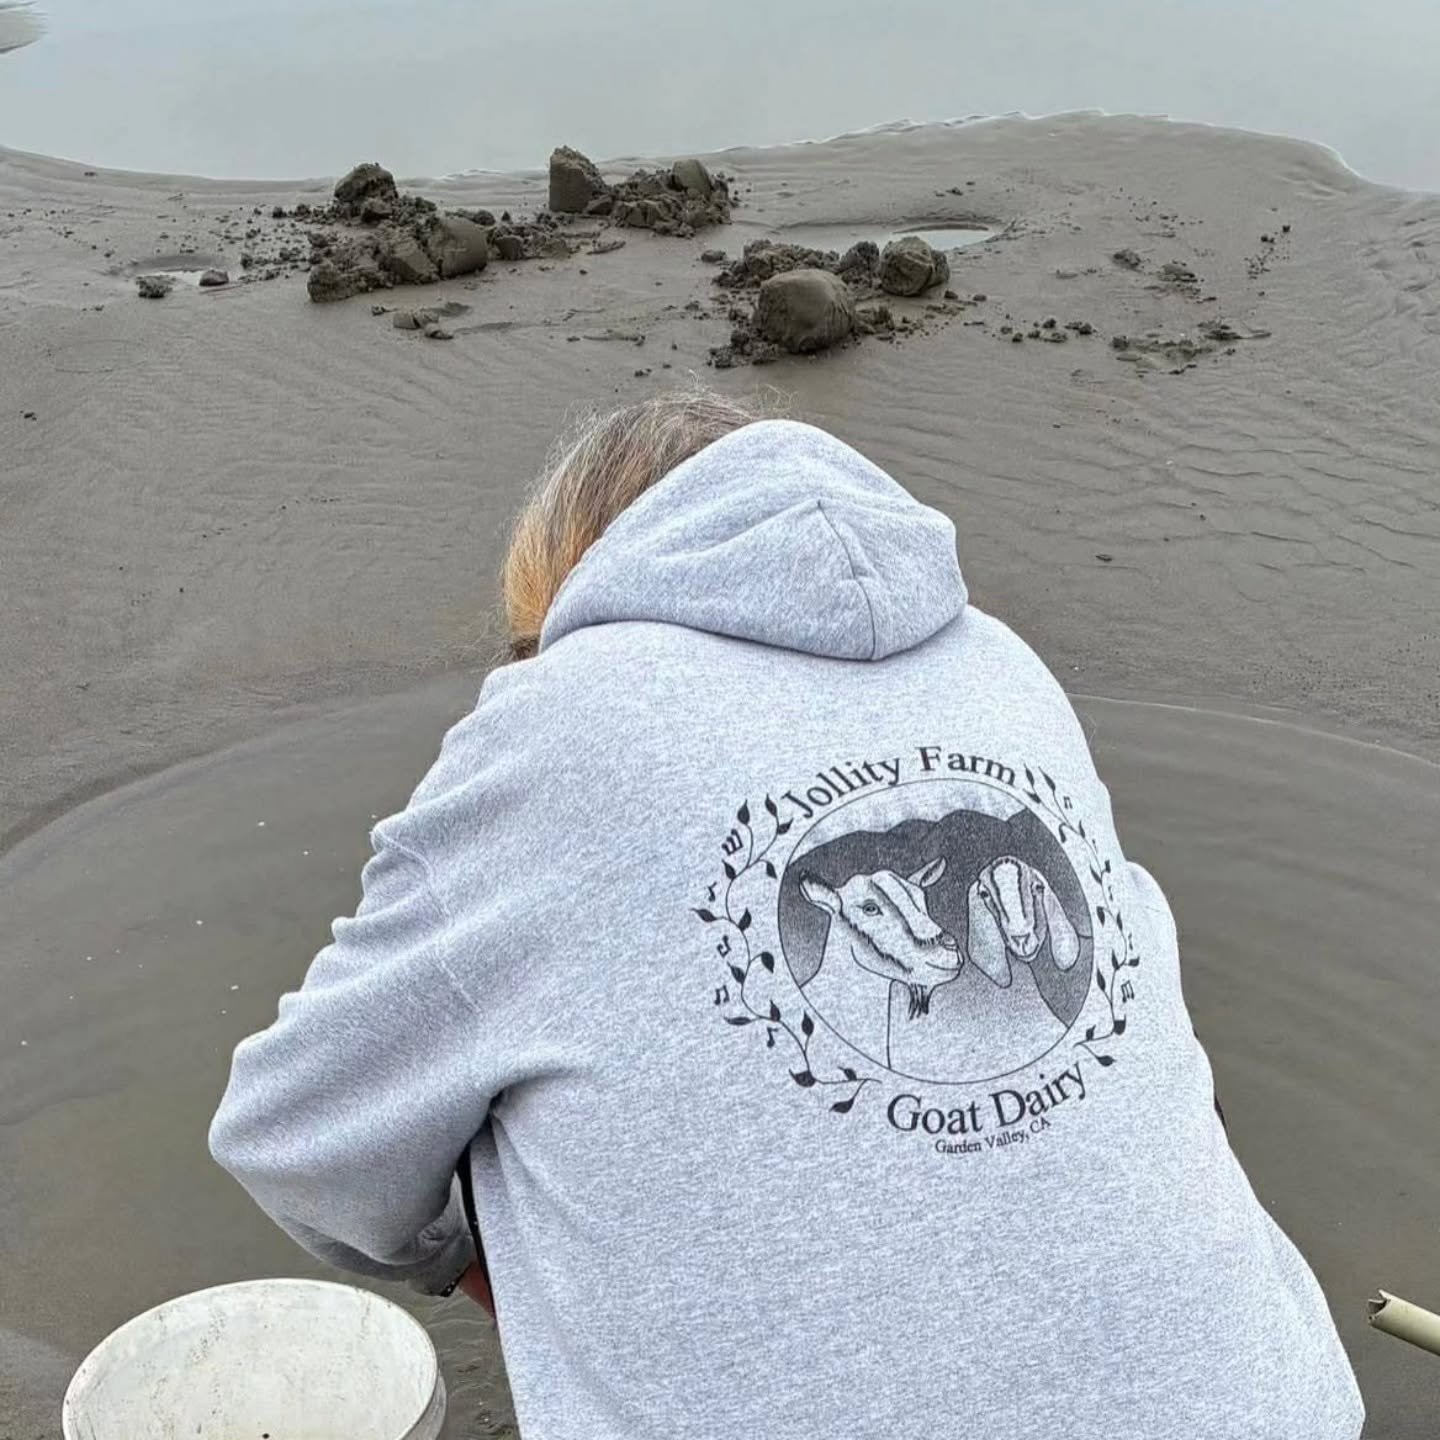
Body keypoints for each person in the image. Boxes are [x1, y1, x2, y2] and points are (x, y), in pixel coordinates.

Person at [210, 388, 1365, 1440]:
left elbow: (297, 1140)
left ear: (573, 577)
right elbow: (1137, 979)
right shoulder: (1005, 671)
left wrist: (470, 1256)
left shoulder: (560, 722)